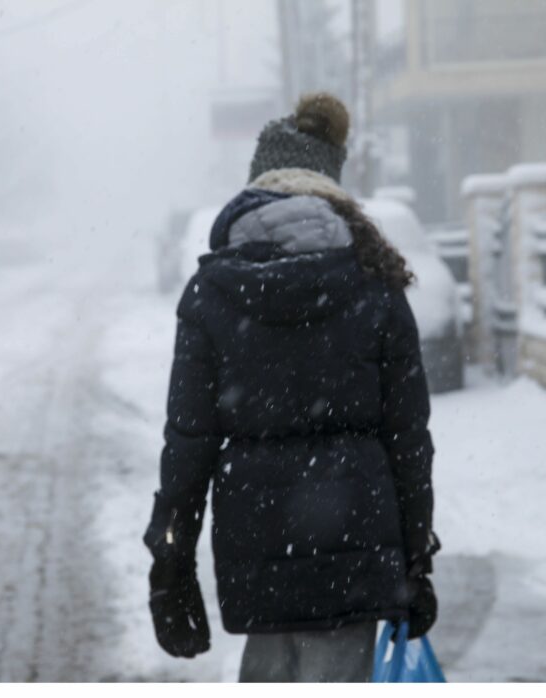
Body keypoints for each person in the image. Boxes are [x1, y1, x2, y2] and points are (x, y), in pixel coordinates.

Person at [143, 92, 438, 683]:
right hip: (356, 537)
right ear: (332, 187)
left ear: (256, 189)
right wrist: (415, 559)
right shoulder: (375, 286)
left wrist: (171, 559)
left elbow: (188, 443)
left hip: (259, 542)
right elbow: (409, 440)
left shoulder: (214, 295)